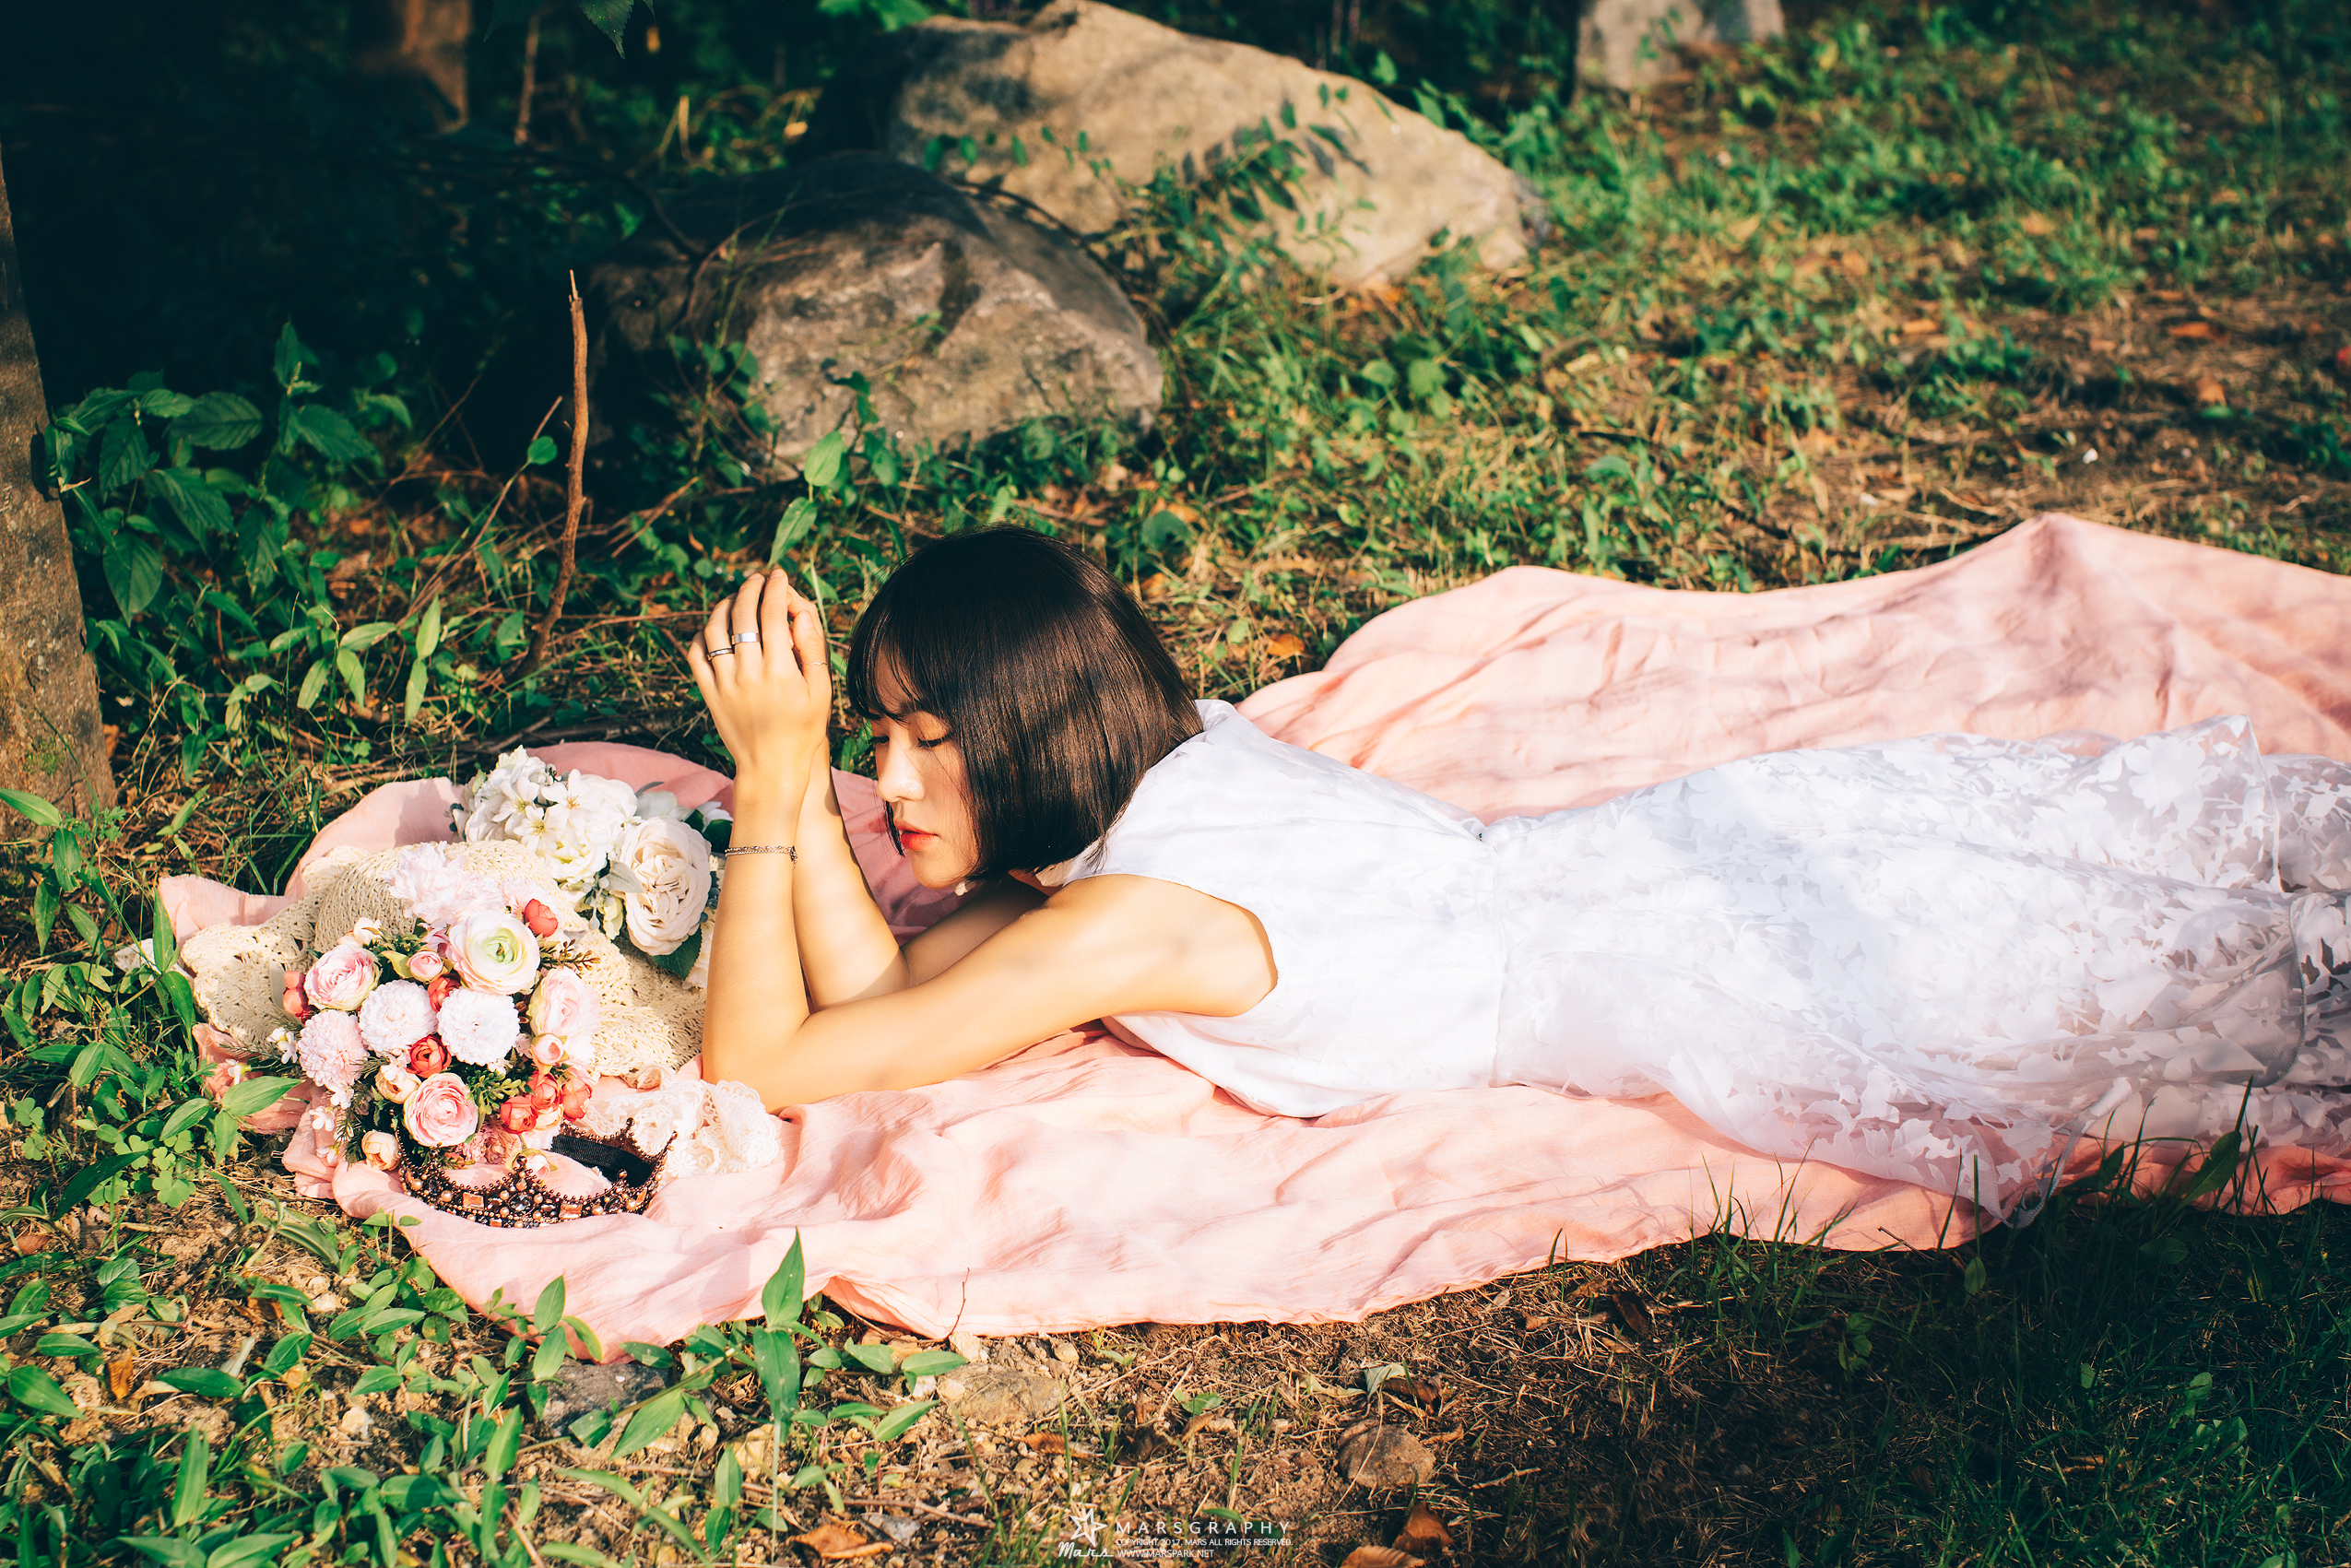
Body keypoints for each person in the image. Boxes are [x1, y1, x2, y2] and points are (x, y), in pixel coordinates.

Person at [691, 527, 2351, 1220]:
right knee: (2154, 922)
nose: (883, 783)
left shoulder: (1116, 919)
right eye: (871, 741)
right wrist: (801, 770)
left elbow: (771, 1053)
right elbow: (883, 994)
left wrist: (775, 782)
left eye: (919, 740)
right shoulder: (1164, 754)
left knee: (2168, 986)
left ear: (1025, 733)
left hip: (1675, 958)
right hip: (1645, 860)